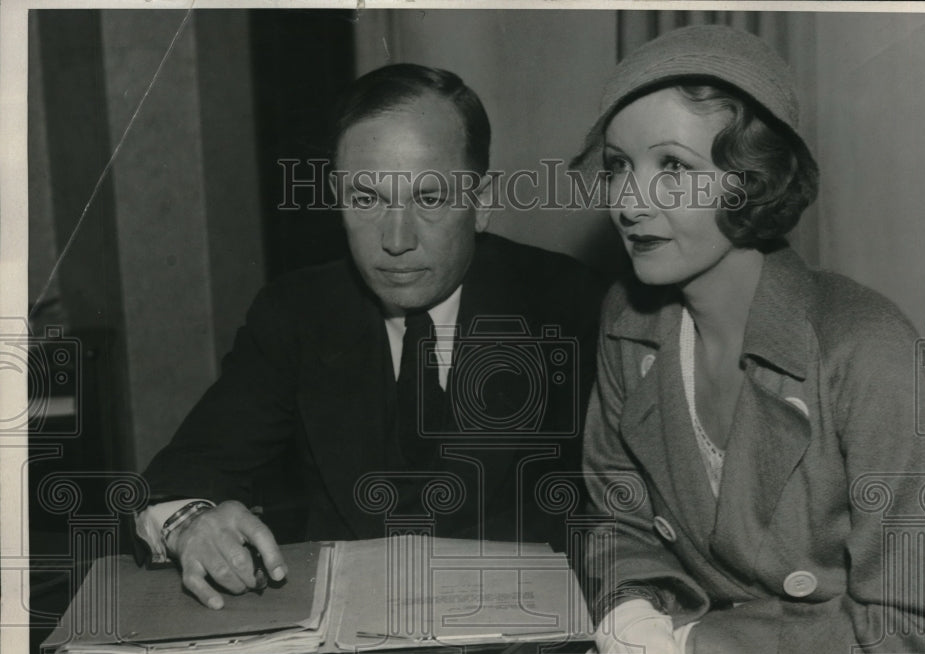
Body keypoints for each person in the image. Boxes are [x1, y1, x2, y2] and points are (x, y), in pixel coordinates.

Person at [534, 25, 925, 654]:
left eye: (672, 168)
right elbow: (614, 519)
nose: (630, 200)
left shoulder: (865, 347)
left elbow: (922, 634)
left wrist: (690, 641)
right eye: (620, 166)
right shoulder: (629, 322)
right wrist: (628, 611)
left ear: (752, 179)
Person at [133, 64, 606, 610]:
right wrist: (192, 525)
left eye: (429, 199)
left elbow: (630, 517)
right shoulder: (295, 314)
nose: (396, 240)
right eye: (365, 199)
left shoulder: (568, 305)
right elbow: (176, 481)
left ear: (484, 201)